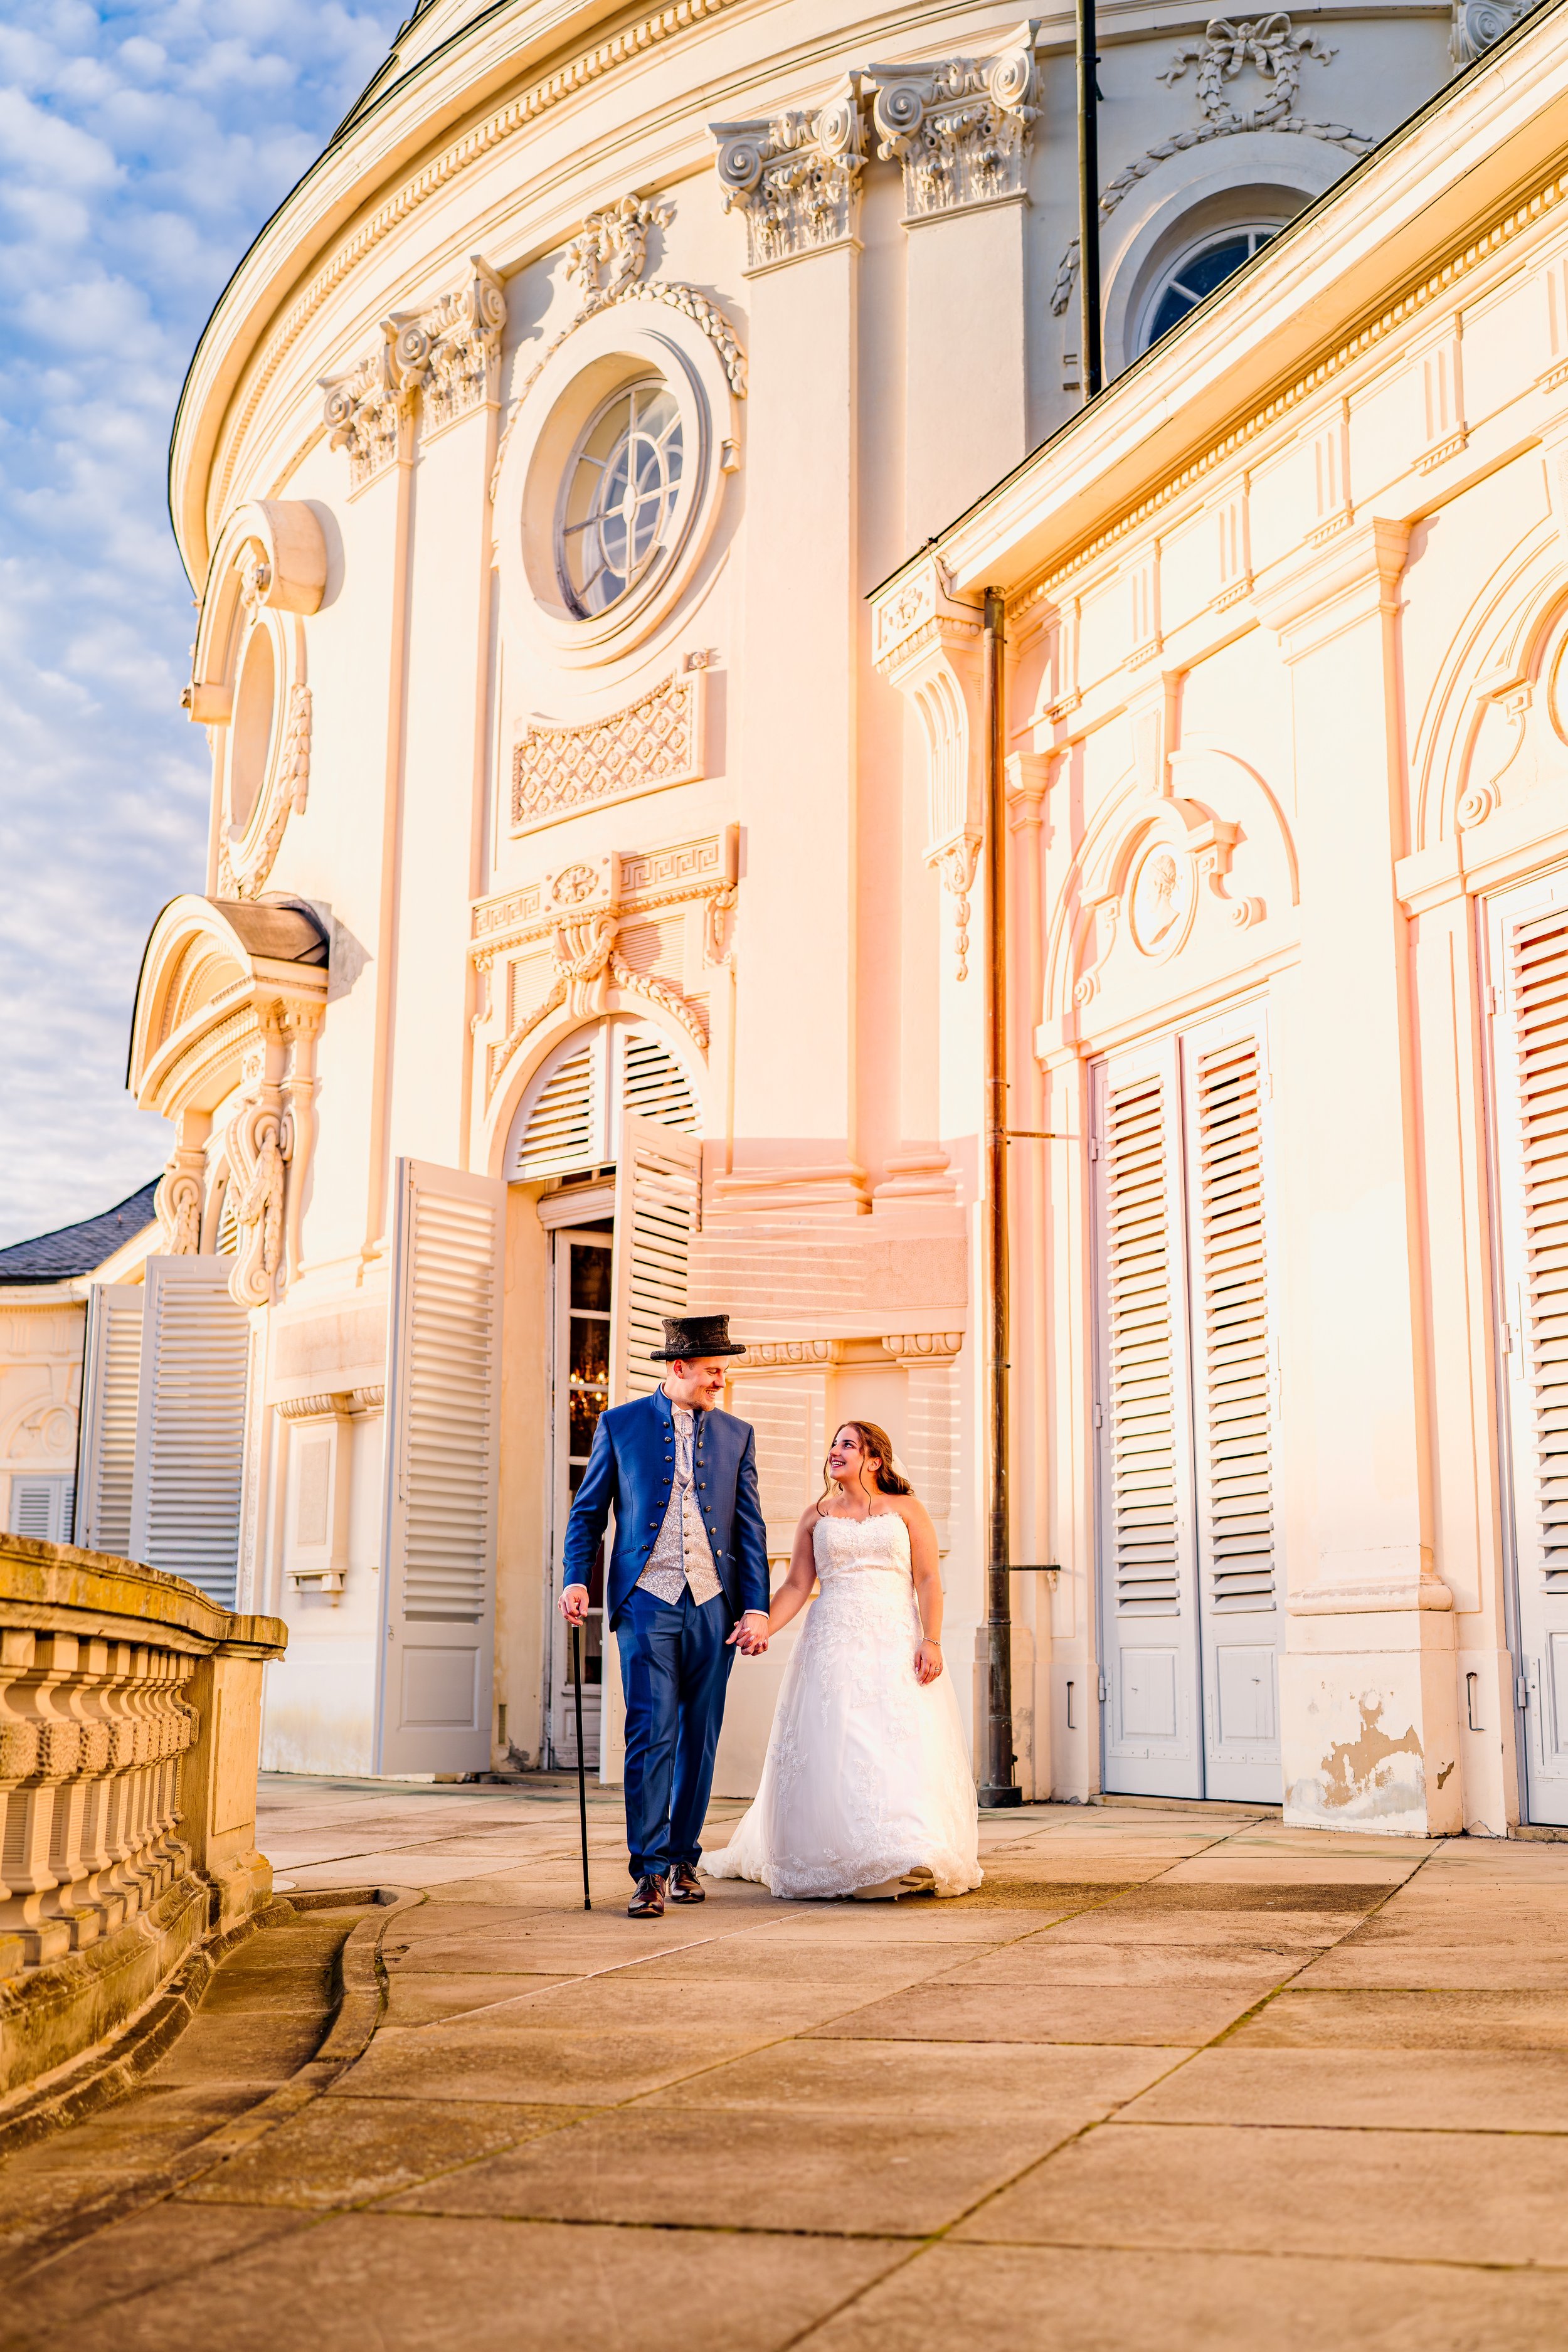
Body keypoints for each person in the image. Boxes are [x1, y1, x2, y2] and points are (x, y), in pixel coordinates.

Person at [703, 1419, 982, 1900]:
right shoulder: (816, 1516)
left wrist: (932, 1640)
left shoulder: (907, 1510)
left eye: (848, 1444)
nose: (835, 1450)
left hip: (895, 1638)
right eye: (833, 1442)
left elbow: (929, 1580)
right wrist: (764, 1623)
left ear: (874, 1460)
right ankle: (840, 1853)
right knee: (838, 1741)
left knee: (896, 1741)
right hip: (831, 1639)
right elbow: (796, 1585)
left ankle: (908, 1846)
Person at [559, 1311, 770, 1919]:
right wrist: (578, 1577)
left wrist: (755, 1605)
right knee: (651, 1735)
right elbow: (588, 1513)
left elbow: (749, 1529)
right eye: (712, 1371)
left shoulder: (737, 1434)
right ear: (678, 1369)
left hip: (714, 1605)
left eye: (722, 1372)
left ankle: (683, 1857)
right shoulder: (619, 1425)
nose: (719, 1382)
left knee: (699, 1739)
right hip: (647, 1601)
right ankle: (648, 1871)